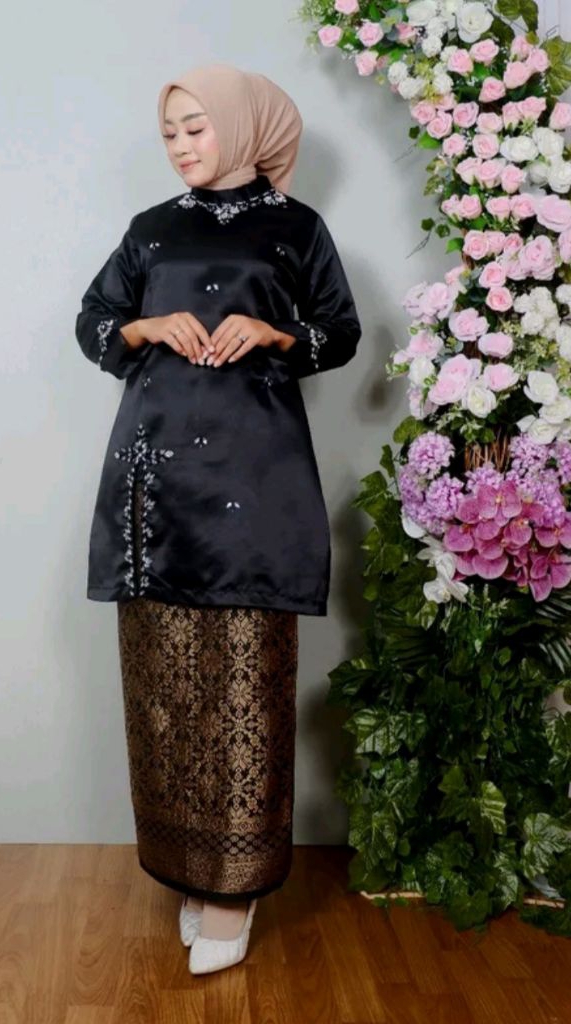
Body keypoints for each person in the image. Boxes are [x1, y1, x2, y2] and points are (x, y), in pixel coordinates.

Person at [74, 63, 362, 975]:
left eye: (197, 127)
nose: (181, 145)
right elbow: (93, 321)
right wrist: (145, 328)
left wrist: (277, 335)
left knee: (244, 688)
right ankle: (191, 875)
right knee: (166, 692)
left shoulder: (296, 229)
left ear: (243, 126)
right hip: (154, 487)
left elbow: (341, 331)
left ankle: (234, 891)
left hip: (256, 481)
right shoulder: (151, 229)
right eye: (170, 132)